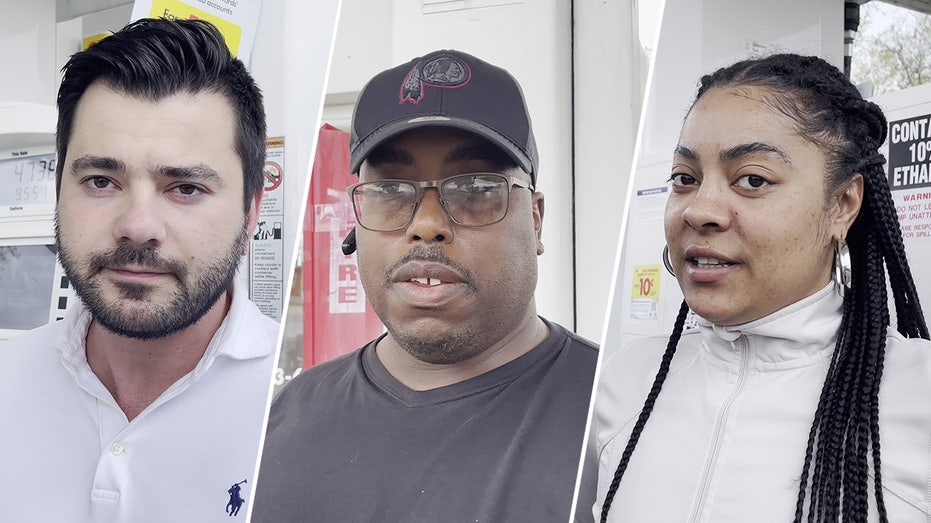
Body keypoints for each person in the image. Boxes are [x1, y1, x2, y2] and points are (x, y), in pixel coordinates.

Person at [580, 53, 931, 523]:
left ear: (843, 203)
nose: (699, 210)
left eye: (752, 179)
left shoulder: (917, 398)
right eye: (685, 179)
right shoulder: (626, 380)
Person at [253, 49, 598, 522]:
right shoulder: (286, 415)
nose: (427, 224)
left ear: (535, 221)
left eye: (476, 187)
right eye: (390, 191)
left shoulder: (617, 418)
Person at [0, 18, 279, 522]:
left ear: (251, 212)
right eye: (102, 180)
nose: (137, 226)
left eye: (186, 188)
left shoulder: (294, 406)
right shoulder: (7, 381)